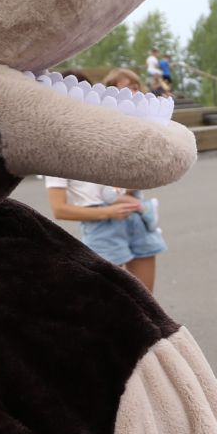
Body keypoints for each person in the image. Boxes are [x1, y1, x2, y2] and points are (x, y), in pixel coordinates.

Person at [44, 70, 167, 292]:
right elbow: (59, 209)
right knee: (111, 303)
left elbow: (132, 181)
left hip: (136, 218)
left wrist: (129, 191)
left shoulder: (111, 134)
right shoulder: (57, 148)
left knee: (149, 303)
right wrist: (108, 212)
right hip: (102, 228)